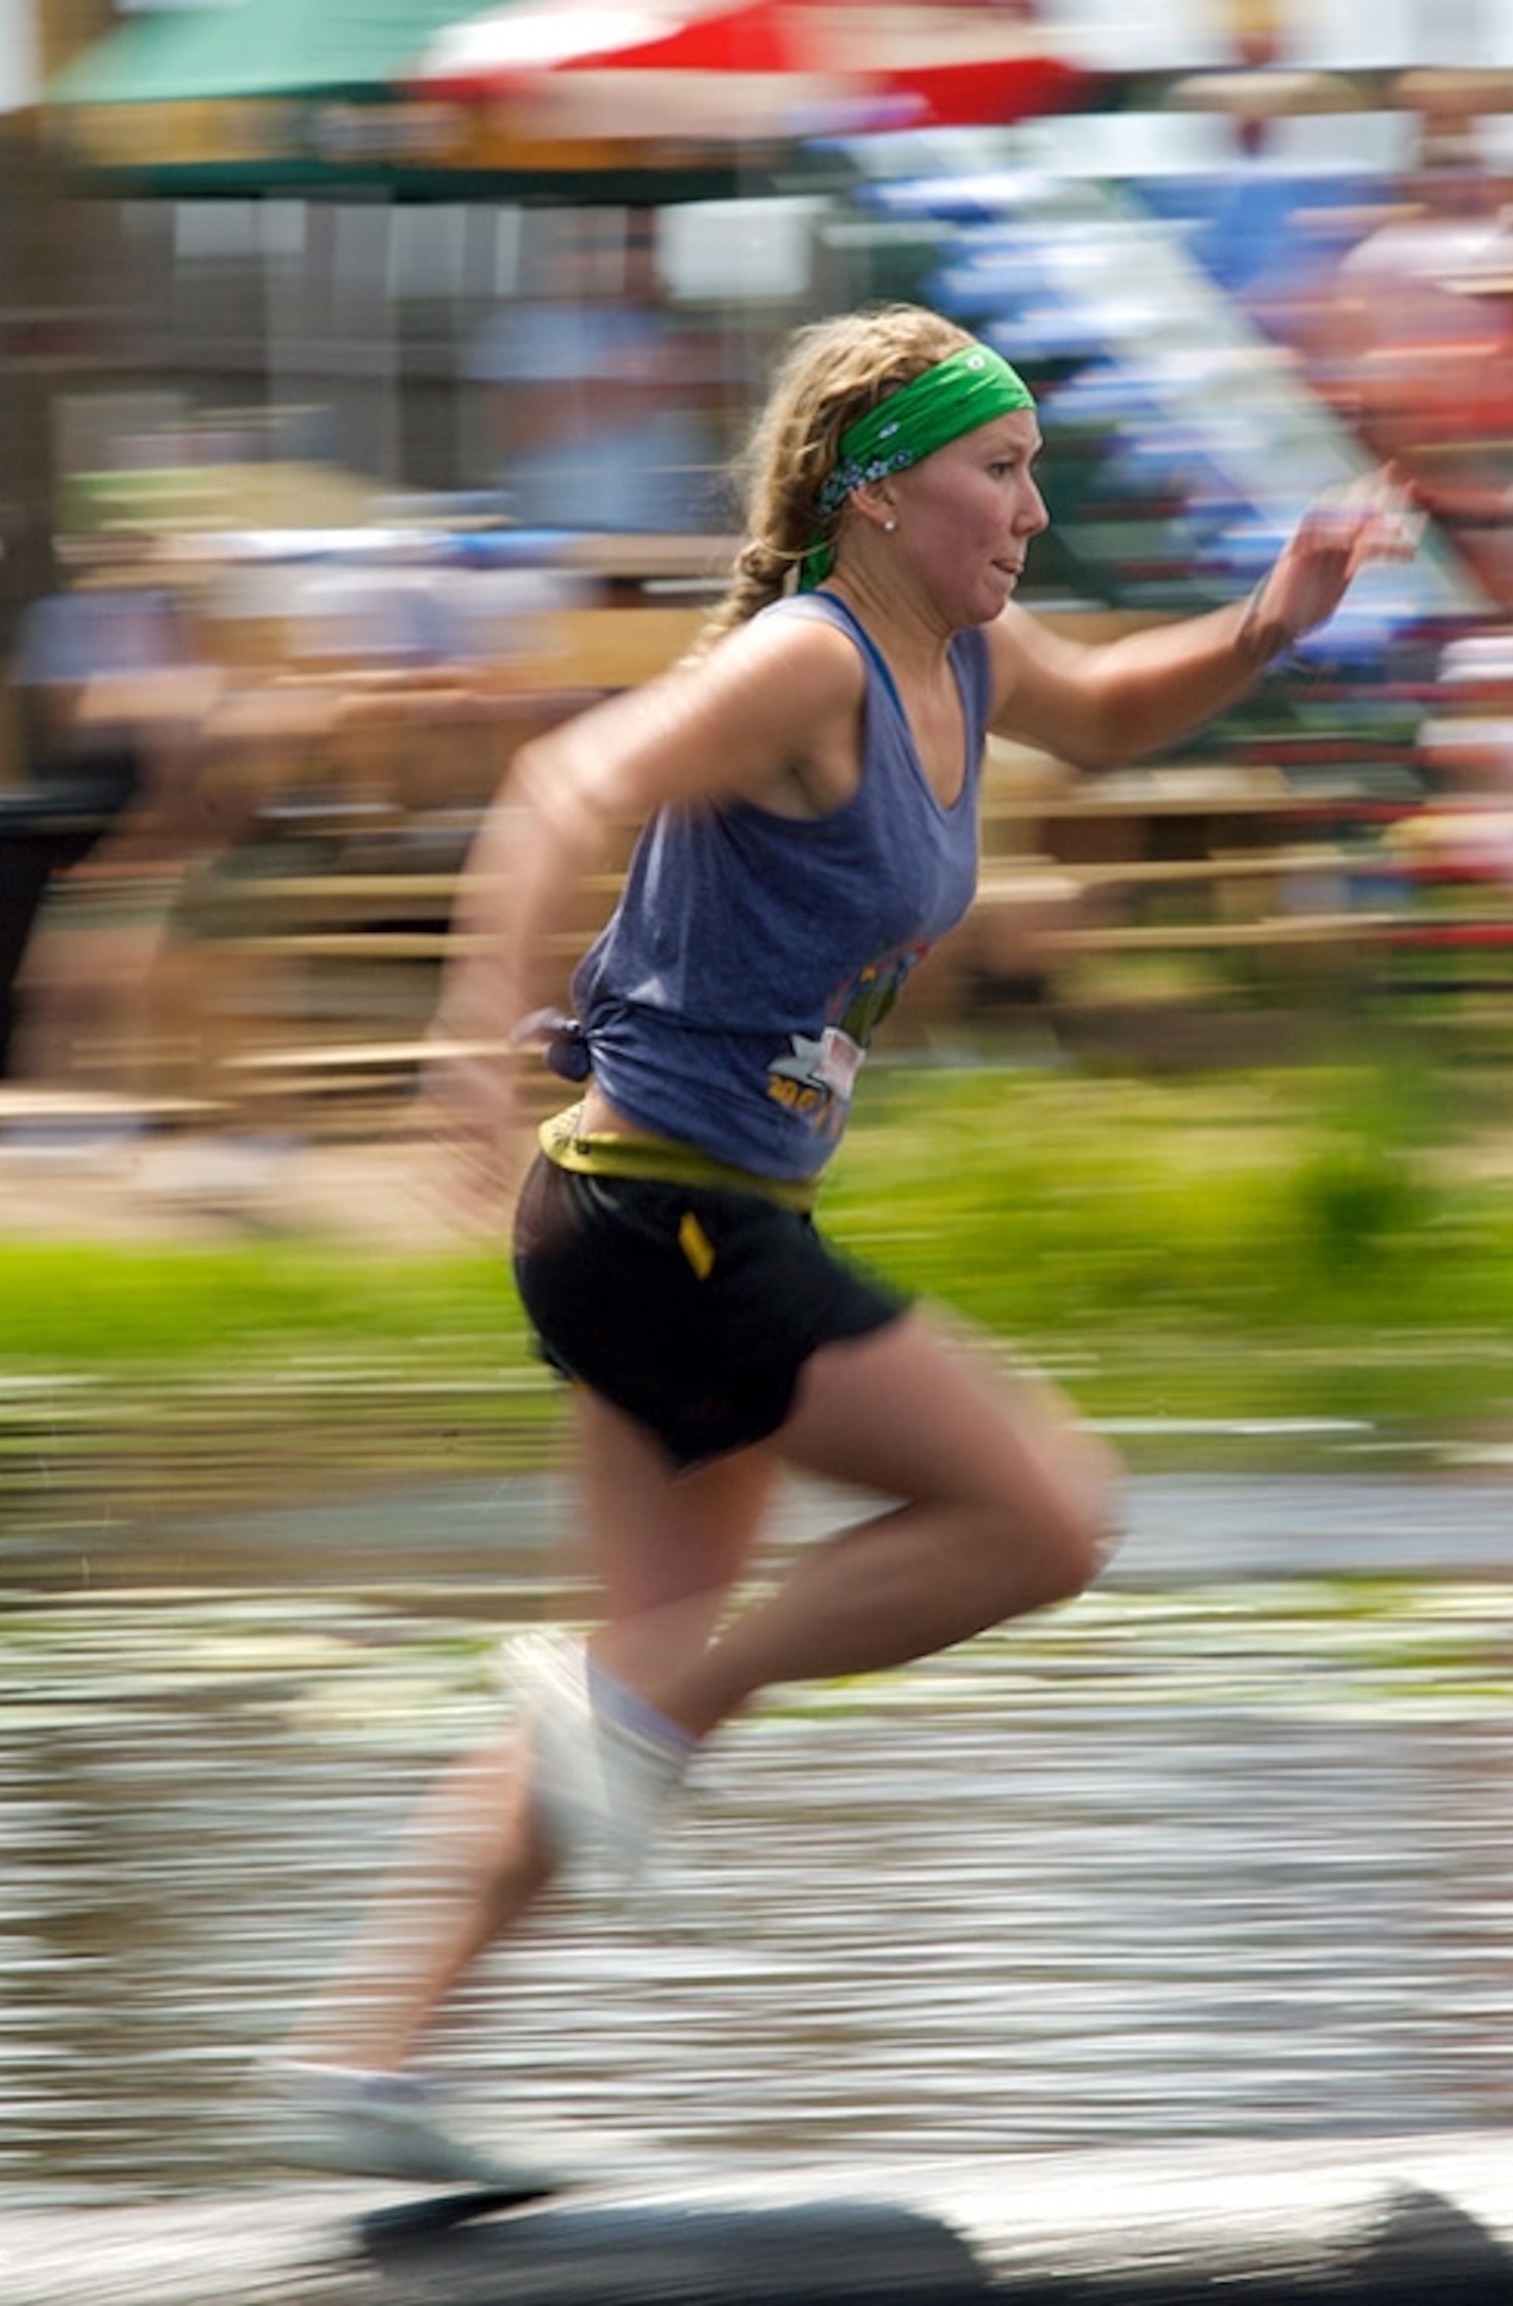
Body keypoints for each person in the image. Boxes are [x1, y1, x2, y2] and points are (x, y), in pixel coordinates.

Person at [267, 303, 1412, 2185]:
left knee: (637, 1652)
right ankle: (632, 1726)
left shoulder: (957, 644)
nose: (1031, 511)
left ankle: (366, 2060)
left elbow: (1117, 717)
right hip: (666, 1213)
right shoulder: (809, 659)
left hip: (677, 1217)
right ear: (880, 490)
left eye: (1035, 467)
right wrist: (466, 1057)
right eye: (1002, 469)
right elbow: (564, 787)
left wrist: (1277, 615)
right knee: (1044, 1516)